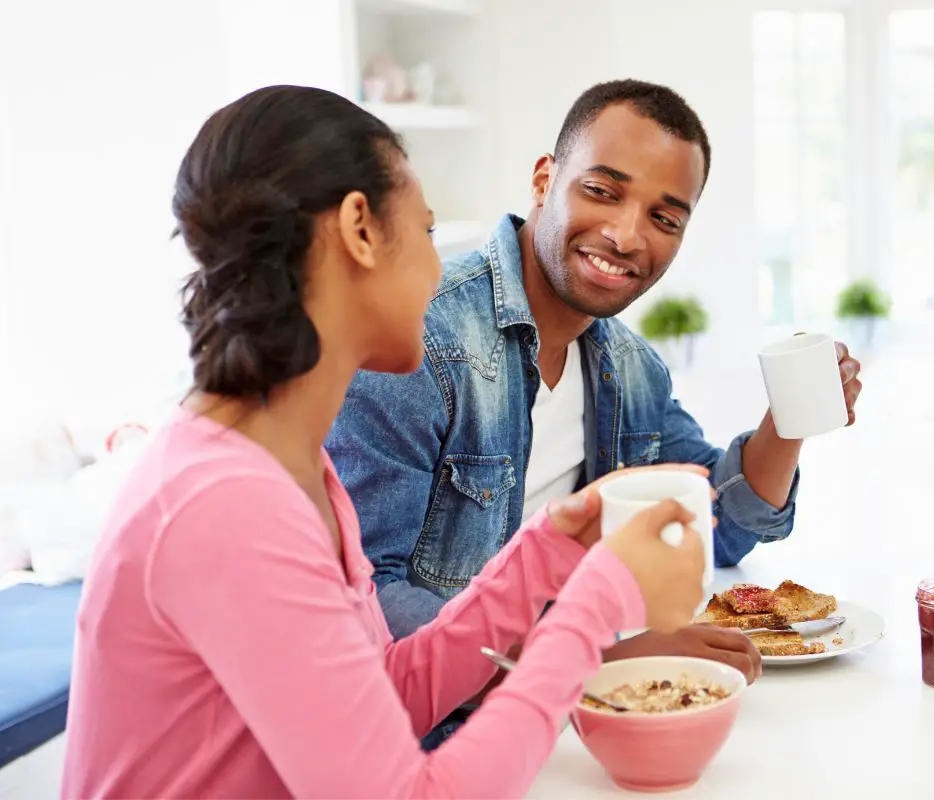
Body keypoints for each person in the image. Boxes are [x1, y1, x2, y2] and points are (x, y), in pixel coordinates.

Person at [60, 84, 710, 799]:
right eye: (427, 234)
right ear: (359, 229)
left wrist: (551, 550)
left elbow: (384, 693)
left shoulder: (291, 470)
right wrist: (599, 603)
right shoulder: (225, 505)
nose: (439, 270)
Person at [326, 78, 864, 747]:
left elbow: (714, 526)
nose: (625, 234)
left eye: (665, 218)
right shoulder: (419, 343)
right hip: (437, 738)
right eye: (603, 191)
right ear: (545, 180)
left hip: (569, 727)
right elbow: (367, 601)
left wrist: (788, 427)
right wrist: (583, 663)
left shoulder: (629, 368)